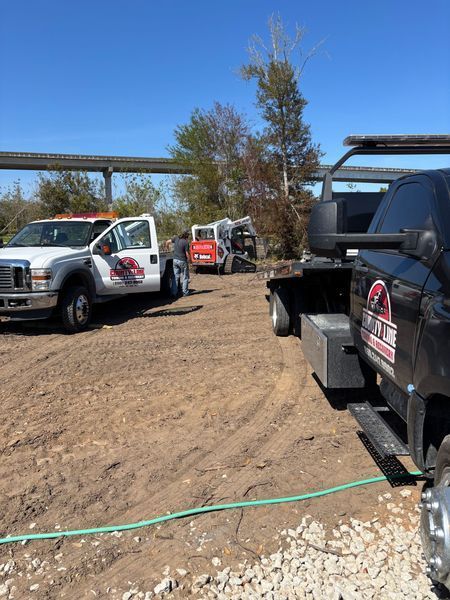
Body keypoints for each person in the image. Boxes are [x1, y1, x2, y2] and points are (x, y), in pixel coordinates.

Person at [169, 230, 191, 297]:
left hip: (175, 260)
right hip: (182, 260)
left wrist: (167, 249)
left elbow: (167, 242)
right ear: (186, 236)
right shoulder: (186, 242)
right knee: (185, 277)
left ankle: (174, 293)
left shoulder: (176, 238)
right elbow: (187, 253)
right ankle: (185, 292)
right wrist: (190, 261)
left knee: (175, 277)